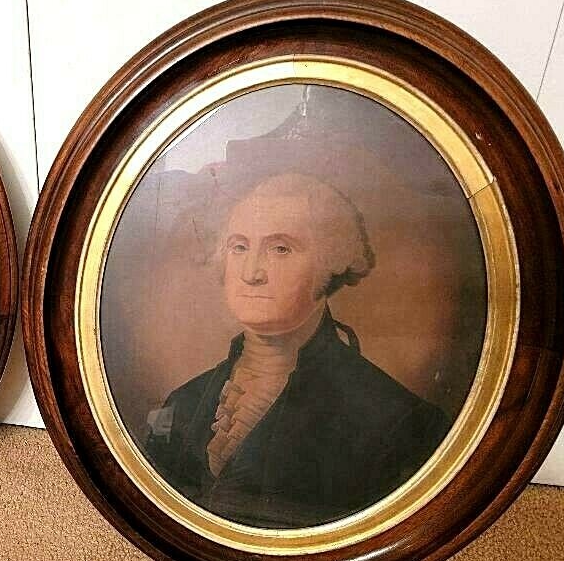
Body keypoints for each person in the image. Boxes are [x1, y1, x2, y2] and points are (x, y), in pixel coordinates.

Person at [141, 173, 449, 528]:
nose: (252, 273)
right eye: (239, 247)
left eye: (280, 249)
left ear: (331, 260)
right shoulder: (183, 402)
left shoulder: (397, 422)